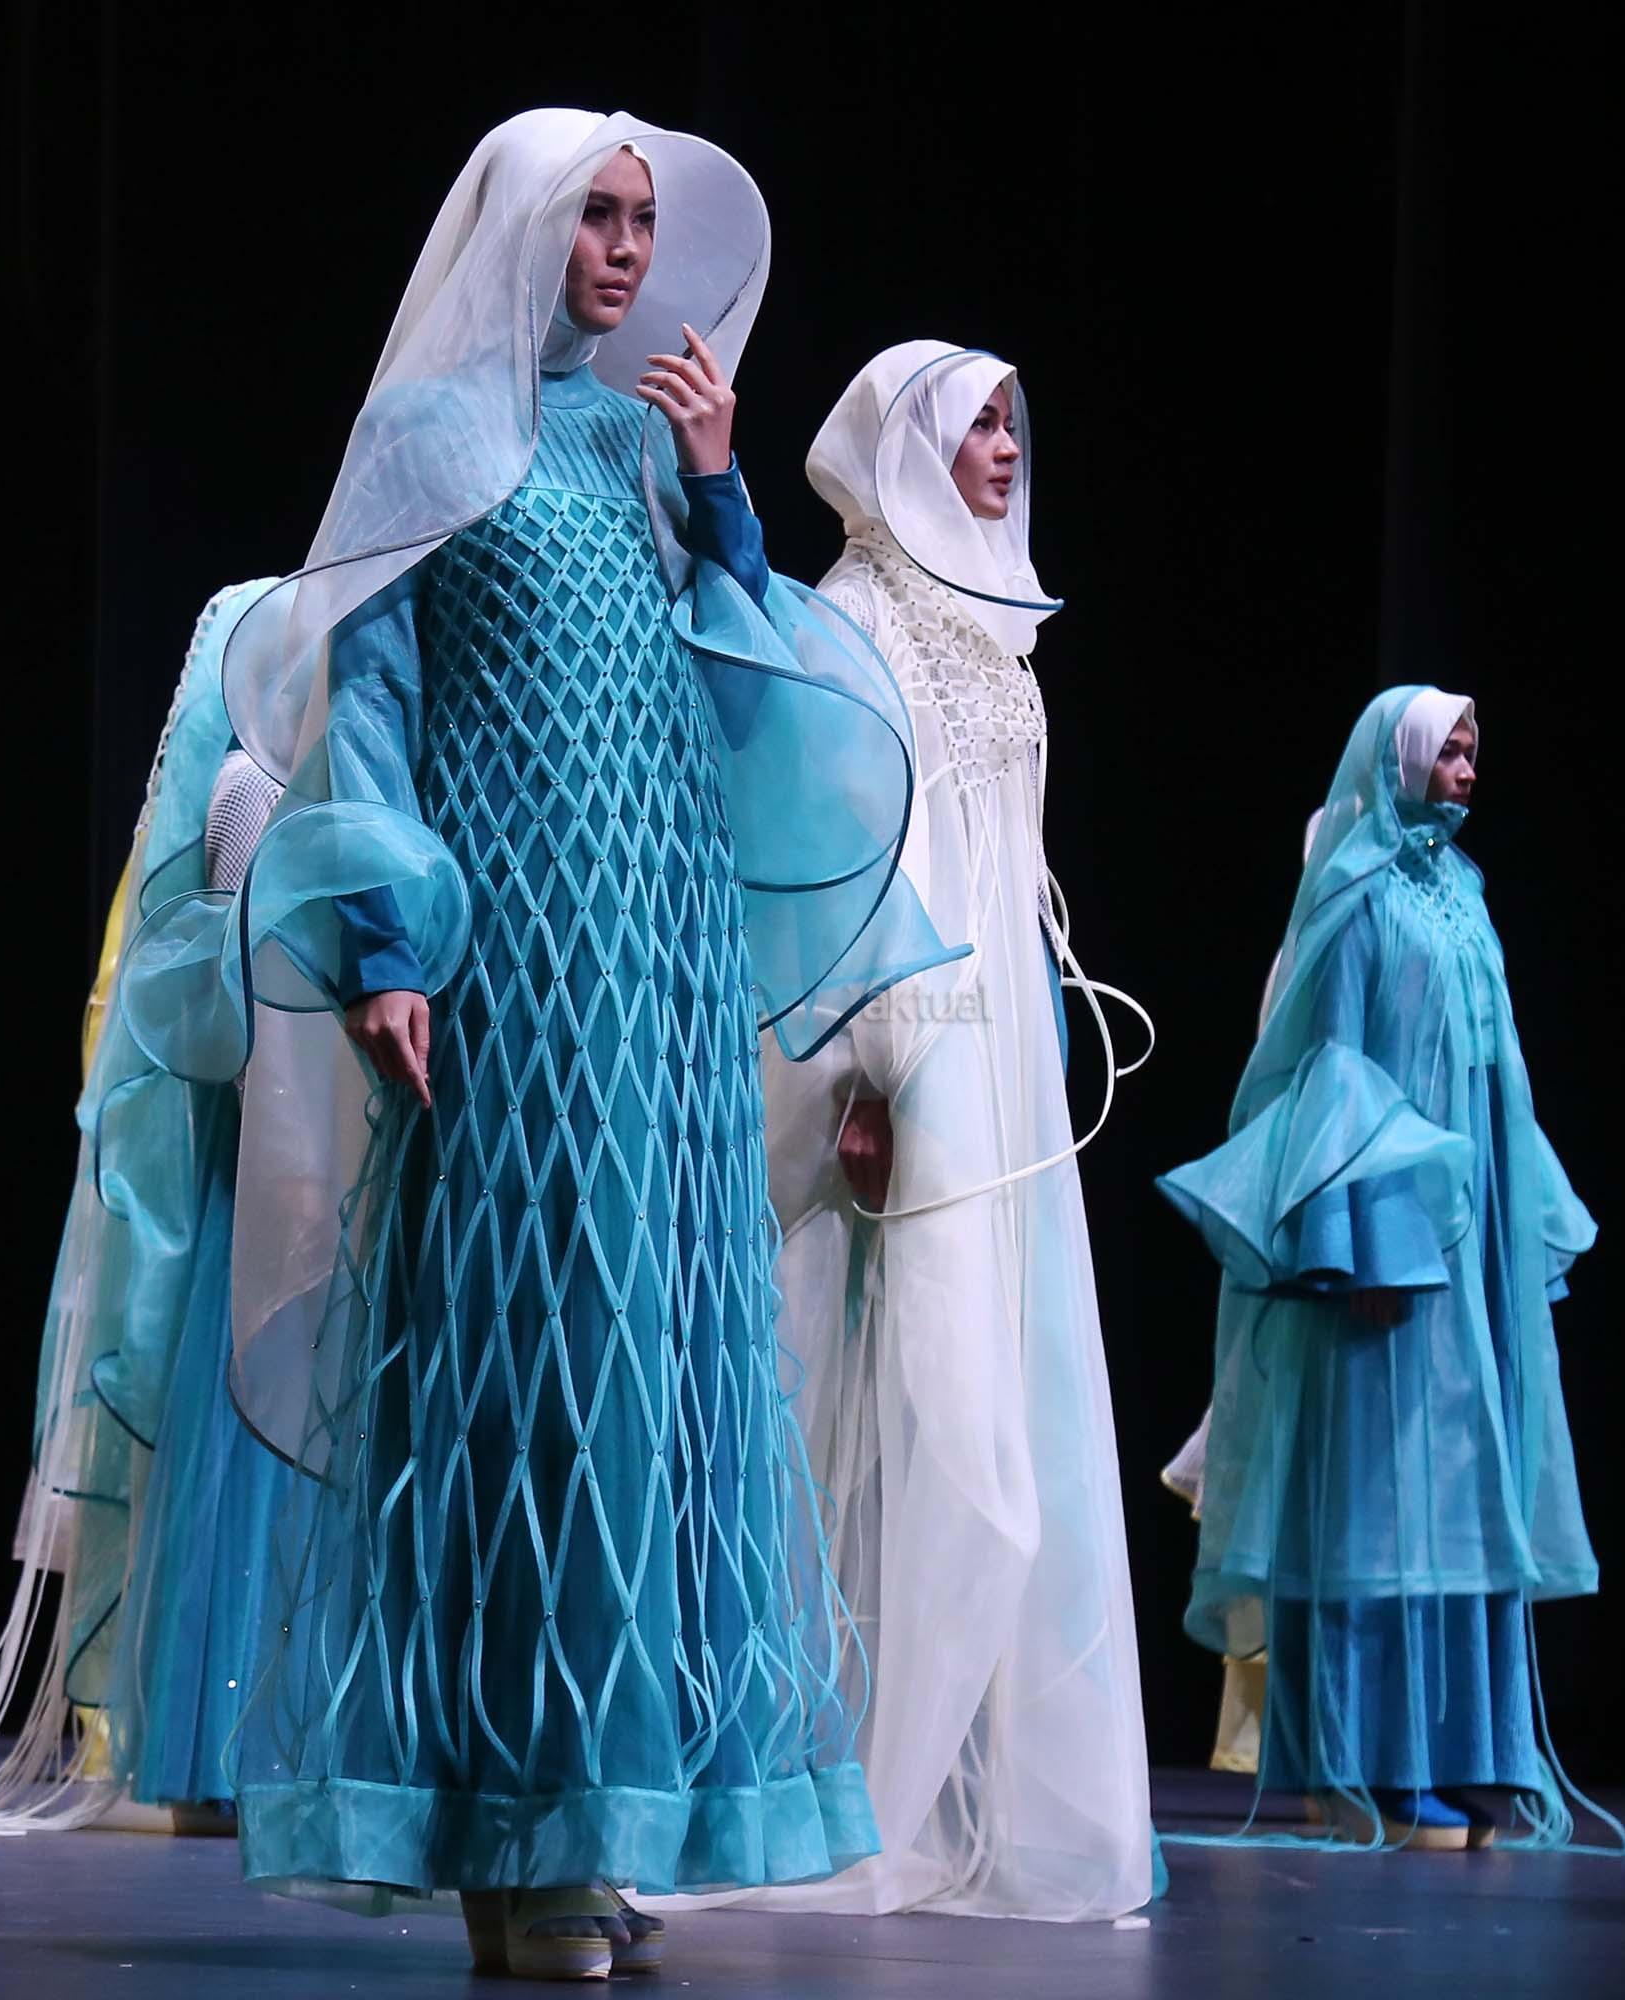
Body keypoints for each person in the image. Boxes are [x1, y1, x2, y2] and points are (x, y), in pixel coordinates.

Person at [117, 108, 955, 1979]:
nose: (625, 252)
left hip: (657, 946)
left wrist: (722, 485)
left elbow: (732, 668)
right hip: (516, 952)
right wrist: (386, 941)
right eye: (597, 216)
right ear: (522, 229)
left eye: (643, 222)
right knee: (525, 1365)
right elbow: (374, 694)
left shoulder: (645, 437)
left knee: (654, 1358)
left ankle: (613, 1810)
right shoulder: (434, 432)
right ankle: (515, 1835)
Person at [721, 341, 1154, 1918]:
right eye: (974, 421)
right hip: (916, 1043)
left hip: (1001, 1039)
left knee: (996, 1380)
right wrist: (873, 1071)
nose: (1002, 445)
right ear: (905, 448)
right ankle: (835, 1780)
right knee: (912, 1388)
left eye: (1011, 422)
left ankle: (974, 1784)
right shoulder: (855, 621)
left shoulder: (994, 628)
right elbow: (850, 865)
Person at [1164, 686, 1610, 1853]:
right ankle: (1361, 1763)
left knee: (1461, 1485)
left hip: (1470, 1233)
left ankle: (1459, 1750)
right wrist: (1357, 1233)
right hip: (1390, 1234)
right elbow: (1334, 1070)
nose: (1467, 767)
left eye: (1473, 749)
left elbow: (1498, 1064)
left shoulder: (1462, 891)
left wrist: (1517, 1217)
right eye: (1448, 749)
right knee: (1376, 1488)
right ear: (1399, 759)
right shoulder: (1358, 896)